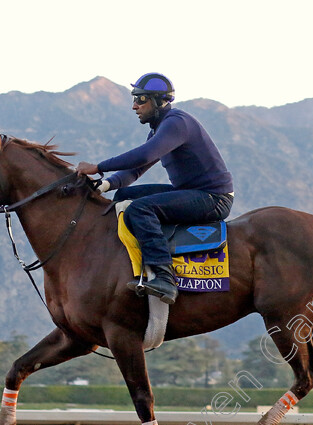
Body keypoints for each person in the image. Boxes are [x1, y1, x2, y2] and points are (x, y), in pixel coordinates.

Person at [77, 73, 234, 305]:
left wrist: (98, 166)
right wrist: (105, 184)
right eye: (134, 99)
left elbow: (144, 155)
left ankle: (164, 278)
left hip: (213, 198)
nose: (134, 106)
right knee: (123, 196)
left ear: (159, 101)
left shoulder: (176, 123)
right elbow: (136, 169)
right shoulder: (161, 129)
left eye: (140, 99)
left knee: (139, 210)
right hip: (191, 191)